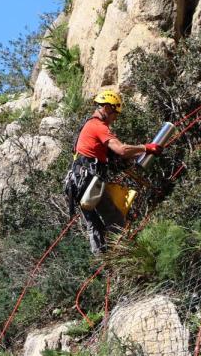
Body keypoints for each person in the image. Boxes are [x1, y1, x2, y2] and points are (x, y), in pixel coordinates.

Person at [64, 89, 162, 254]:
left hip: (77, 184)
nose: (114, 119)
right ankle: (124, 253)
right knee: (114, 219)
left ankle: (103, 262)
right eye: (115, 114)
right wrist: (146, 148)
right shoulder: (98, 126)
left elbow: (110, 157)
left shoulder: (88, 125)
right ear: (108, 108)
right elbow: (121, 150)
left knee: (94, 225)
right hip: (87, 181)